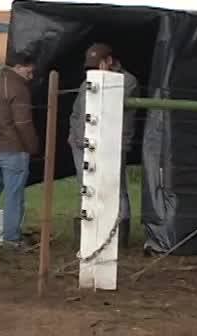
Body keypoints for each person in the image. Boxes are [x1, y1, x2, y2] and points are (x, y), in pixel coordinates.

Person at [68, 43, 138, 248]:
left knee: (116, 188)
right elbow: (76, 111)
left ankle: (118, 236)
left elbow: (109, 108)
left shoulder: (128, 81)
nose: (94, 70)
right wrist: (74, 134)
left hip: (111, 144)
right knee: (86, 187)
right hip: (82, 144)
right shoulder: (86, 83)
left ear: (109, 61)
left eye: (98, 64)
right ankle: (89, 233)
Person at [0, 54, 39, 246]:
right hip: (14, 149)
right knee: (14, 195)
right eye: (29, 69)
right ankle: (11, 238)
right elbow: (23, 123)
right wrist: (33, 147)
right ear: (18, 67)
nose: (31, 74)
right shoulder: (18, 89)